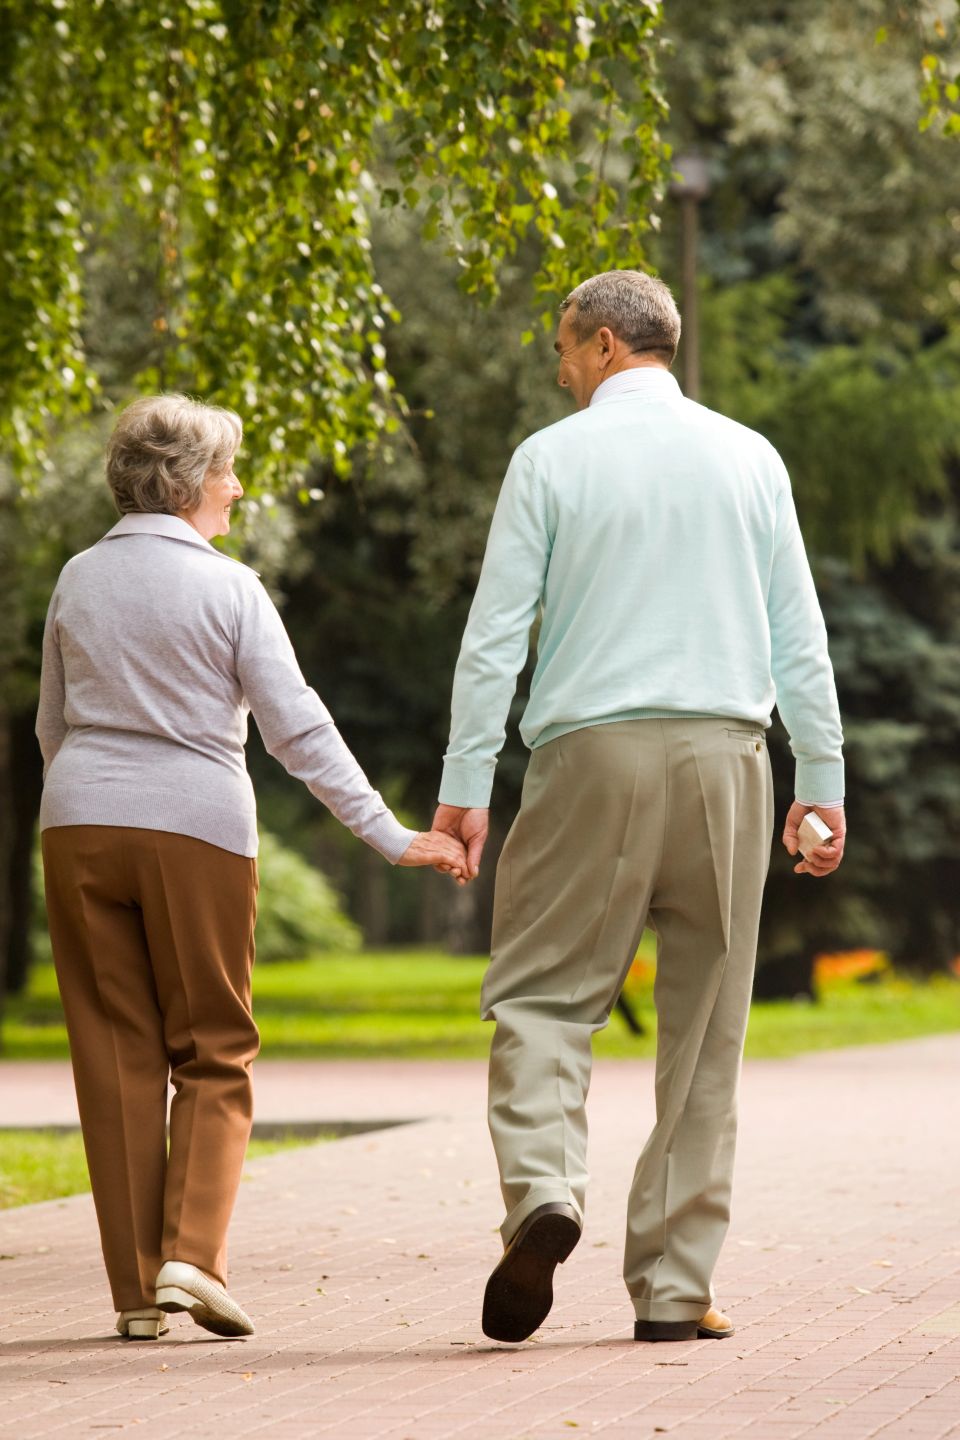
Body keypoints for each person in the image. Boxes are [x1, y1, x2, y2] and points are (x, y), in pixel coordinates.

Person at [432, 270, 846, 1344]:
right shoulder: (750, 457)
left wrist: (464, 789)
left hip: (588, 760)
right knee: (707, 1034)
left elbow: (494, 641)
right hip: (730, 761)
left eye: (566, 349)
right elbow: (799, 636)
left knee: (540, 998)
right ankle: (672, 1288)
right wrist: (824, 786)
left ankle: (542, 1193)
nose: (561, 368)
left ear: (608, 344)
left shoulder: (551, 459)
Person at [36, 393, 468, 1343]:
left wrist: (80, 804)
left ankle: (138, 1292)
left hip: (77, 827)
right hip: (194, 828)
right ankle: (193, 1252)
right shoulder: (230, 589)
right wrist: (392, 837)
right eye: (228, 469)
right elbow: (297, 731)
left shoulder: (77, 577)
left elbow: (51, 726)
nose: (237, 487)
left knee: (114, 1057)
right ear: (188, 483)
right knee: (216, 1048)